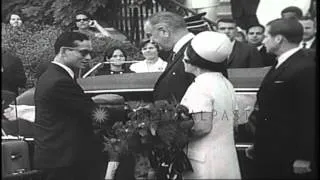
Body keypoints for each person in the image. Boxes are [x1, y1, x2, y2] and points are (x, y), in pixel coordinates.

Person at [245, 18, 316, 178]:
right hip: (270, 150)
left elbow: (309, 114)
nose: (264, 40)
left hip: (289, 155)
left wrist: (305, 156)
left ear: (278, 39)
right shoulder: (282, 63)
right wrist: (258, 144)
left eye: (267, 36)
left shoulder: (305, 67)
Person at [33, 31, 104, 180]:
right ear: (64, 51)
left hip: (58, 158)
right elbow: (93, 113)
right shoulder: (60, 81)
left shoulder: (52, 75)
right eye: (83, 53)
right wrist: (130, 114)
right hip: (63, 162)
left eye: (90, 53)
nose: (89, 58)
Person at [180, 31, 241, 179]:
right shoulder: (226, 83)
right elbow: (235, 122)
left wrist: (174, 134)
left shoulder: (200, 86)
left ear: (193, 61)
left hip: (204, 161)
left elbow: (202, 127)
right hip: (225, 158)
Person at [144, 11, 195, 103]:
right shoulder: (178, 52)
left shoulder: (194, 51)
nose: (151, 41)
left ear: (164, 31)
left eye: (150, 35)